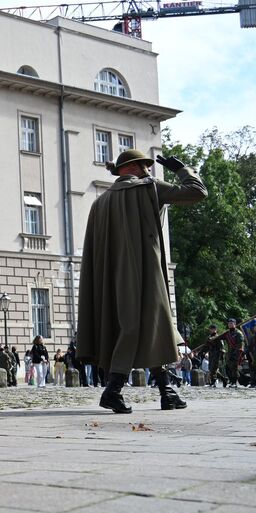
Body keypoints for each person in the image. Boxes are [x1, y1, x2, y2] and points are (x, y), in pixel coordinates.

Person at [77, 149, 207, 413]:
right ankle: (112, 390)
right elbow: (196, 192)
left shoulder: (100, 202)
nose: (149, 170)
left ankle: (166, 391)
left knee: (152, 326)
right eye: (145, 165)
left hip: (109, 279)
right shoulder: (150, 188)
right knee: (138, 326)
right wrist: (182, 169)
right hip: (144, 271)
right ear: (135, 167)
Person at [213, 319, 245, 388]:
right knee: (228, 368)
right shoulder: (227, 333)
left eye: (231, 323)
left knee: (234, 368)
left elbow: (241, 345)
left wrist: (238, 354)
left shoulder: (238, 333)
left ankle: (234, 382)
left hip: (237, 353)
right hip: (230, 353)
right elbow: (218, 338)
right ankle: (231, 380)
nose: (230, 324)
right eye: (229, 323)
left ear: (235, 324)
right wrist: (212, 339)